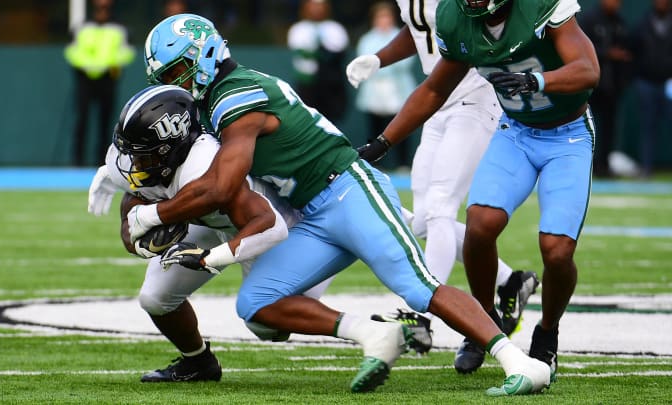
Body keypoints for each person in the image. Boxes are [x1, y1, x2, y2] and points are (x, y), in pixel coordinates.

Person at [129, 13, 551, 395]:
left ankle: (519, 361)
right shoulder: (217, 98)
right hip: (311, 214)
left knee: (420, 287)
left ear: (205, 53)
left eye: (181, 69)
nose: (179, 81)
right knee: (255, 305)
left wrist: (152, 215)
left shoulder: (235, 94)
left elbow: (222, 186)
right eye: (169, 75)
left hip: (348, 192)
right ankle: (372, 333)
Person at [356, 0, 600, 381]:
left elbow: (588, 70)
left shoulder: (540, 6)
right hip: (516, 131)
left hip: (566, 135)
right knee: (480, 224)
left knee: (556, 250)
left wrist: (540, 80)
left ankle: (547, 333)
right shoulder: (455, 17)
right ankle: (481, 325)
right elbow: (435, 88)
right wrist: (383, 142)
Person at [88, 84, 340, 382]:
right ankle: (198, 363)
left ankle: (371, 327)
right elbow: (133, 198)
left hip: (268, 228)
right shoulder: (134, 159)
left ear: (172, 146)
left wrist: (210, 258)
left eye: (144, 155)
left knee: (268, 325)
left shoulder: (205, 162)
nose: (132, 164)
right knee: (155, 297)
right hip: (209, 222)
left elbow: (270, 224)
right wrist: (132, 235)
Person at [346, 0, 539, 364]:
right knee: (424, 220)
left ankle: (420, 316)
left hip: (476, 96)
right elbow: (420, 28)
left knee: (439, 209)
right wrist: (380, 58)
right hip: (438, 100)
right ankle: (511, 281)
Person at [65, 0, 134, 167]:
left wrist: (107, 65)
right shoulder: (82, 27)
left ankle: (103, 161)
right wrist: (88, 66)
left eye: (105, 6)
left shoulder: (119, 28)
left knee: (105, 122)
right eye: (99, 6)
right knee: (82, 121)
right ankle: (77, 161)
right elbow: (72, 51)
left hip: (108, 80)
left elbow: (126, 52)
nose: (102, 8)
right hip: (85, 81)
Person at [352, 1, 417, 170]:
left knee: (401, 126)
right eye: (380, 17)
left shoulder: (401, 36)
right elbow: (365, 62)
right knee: (376, 128)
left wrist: (382, 64)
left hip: (398, 90)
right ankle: (374, 163)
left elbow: (406, 62)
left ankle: (403, 164)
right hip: (374, 92)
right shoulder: (367, 39)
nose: (384, 20)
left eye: (387, 16)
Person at [579, 0, 633, 178]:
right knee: (587, 126)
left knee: (609, 128)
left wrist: (623, 80)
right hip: (591, 86)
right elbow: (581, 50)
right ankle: (586, 165)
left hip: (612, 86)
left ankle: (604, 165)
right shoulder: (589, 19)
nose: (615, 4)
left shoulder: (620, 22)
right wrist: (607, 53)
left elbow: (628, 52)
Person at [287, 0, 350, 123]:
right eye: (313, 6)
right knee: (307, 119)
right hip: (307, 83)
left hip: (331, 83)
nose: (316, 10)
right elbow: (298, 51)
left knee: (330, 120)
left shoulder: (335, 28)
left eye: (320, 6)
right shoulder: (298, 29)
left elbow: (339, 52)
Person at [631, 0, 672, 178]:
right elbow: (633, 52)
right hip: (647, 82)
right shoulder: (643, 23)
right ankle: (646, 168)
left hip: (669, 82)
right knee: (648, 127)